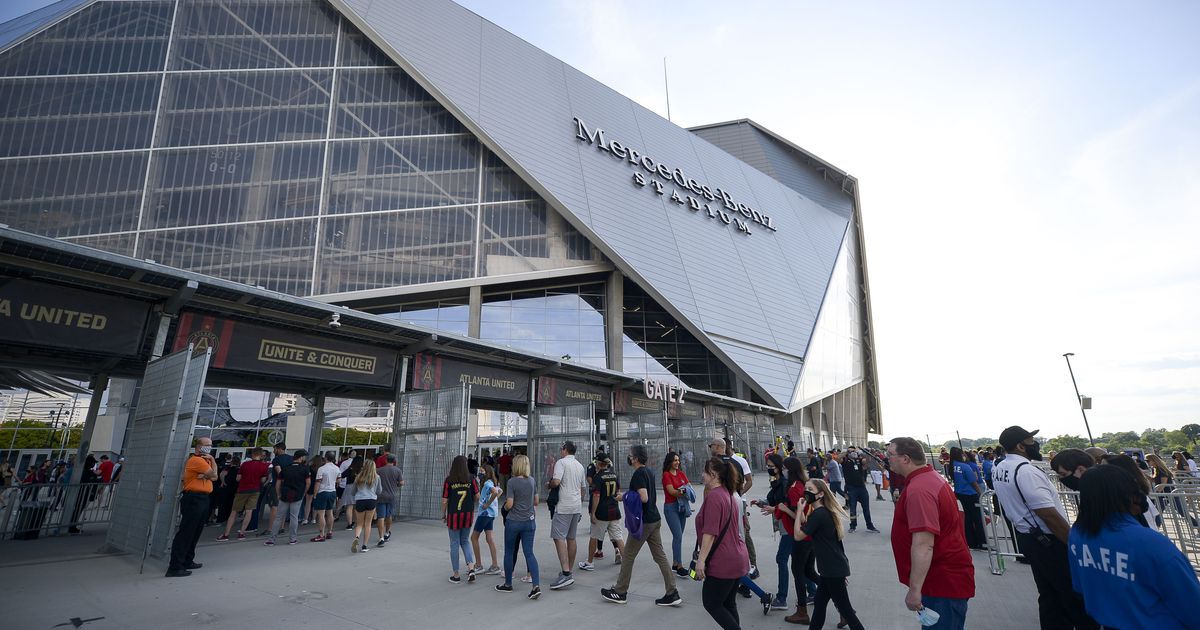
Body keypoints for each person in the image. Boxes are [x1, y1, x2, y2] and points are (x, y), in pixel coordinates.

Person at [1069, 464, 1200, 629]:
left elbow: (1080, 587)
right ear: (1129, 495)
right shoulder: (1150, 543)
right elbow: (1192, 606)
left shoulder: (1078, 533)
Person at [992, 426, 1098, 629]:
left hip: (1030, 537)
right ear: (1020, 446)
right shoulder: (1027, 472)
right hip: (1049, 541)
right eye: (1031, 440)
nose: (1035, 444)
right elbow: (1047, 513)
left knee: (1050, 596)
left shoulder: (1000, 468)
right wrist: (1072, 543)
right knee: (1072, 596)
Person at [887, 437, 975, 629]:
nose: (888, 459)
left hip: (941, 583)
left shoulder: (920, 489)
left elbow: (924, 543)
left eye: (890, 454)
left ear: (905, 459)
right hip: (941, 580)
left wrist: (915, 589)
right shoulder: (928, 479)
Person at [601, 444, 682, 607]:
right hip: (654, 519)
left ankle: (620, 591)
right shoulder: (649, 471)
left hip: (644, 522)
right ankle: (672, 592)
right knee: (660, 556)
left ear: (636, 458)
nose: (629, 458)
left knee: (628, 555)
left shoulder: (639, 474)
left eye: (630, 455)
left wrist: (625, 496)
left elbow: (643, 497)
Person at [798, 478, 865, 630]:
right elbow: (838, 544)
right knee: (820, 606)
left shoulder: (819, 515)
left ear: (821, 494)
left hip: (832, 571)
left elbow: (798, 535)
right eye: (806, 488)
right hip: (830, 570)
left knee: (846, 611)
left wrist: (798, 512)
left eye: (810, 489)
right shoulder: (822, 513)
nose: (806, 491)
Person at [694, 457, 751, 630]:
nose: (703, 476)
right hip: (737, 556)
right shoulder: (729, 494)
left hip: (723, 560)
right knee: (728, 603)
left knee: (711, 603)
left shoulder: (714, 497)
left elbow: (710, 533)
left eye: (705, 472)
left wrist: (701, 560)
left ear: (713, 474)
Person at [763, 455, 812, 623]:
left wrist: (782, 508)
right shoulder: (792, 485)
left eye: (781, 467)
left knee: (791, 566)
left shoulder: (792, 487)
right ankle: (818, 596)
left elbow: (801, 515)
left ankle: (788, 601)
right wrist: (777, 508)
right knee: (806, 571)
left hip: (795, 532)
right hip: (796, 532)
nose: (780, 470)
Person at [165, 437, 217, 577]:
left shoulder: (205, 461)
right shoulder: (197, 460)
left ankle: (187, 559)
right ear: (199, 447)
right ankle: (175, 566)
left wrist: (211, 462)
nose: (210, 447)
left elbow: (214, 477)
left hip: (203, 497)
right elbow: (212, 474)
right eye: (207, 445)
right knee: (187, 531)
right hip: (194, 497)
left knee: (195, 531)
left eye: (211, 445)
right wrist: (212, 463)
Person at [495, 454, 541, 599]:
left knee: (509, 552)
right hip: (529, 521)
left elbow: (509, 504)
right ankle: (536, 586)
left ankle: (508, 584)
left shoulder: (512, 482)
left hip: (514, 521)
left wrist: (505, 509)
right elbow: (536, 501)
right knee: (529, 553)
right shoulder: (532, 481)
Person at [549, 440, 587, 589]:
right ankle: (569, 570)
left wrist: (549, 483)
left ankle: (565, 573)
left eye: (561, 449)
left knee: (558, 537)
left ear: (565, 450)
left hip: (563, 506)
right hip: (576, 506)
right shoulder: (579, 466)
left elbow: (556, 482)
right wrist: (579, 501)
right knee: (571, 538)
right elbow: (583, 488)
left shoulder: (561, 463)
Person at [580, 451, 625, 571]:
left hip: (602, 512)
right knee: (618, 537)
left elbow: (596, 496)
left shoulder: (598, 477)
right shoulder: (614, 475)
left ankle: (589, 562)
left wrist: (593, 513)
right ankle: (627, 564)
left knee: (594, 536)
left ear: (599, 464)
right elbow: (618, 490)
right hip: (614, 511)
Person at [217, 447, 269, 541]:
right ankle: (242, 533)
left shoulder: (245, 464)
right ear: (261, 455)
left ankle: (226, 534)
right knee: (249, 512)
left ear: (252, 454)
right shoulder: (264, 466)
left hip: (242, 490)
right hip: (255, 491)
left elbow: (238, 478)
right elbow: (263, 480)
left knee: (234, 512)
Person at [442, 455, 479, 583]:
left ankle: (456, 574)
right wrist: (471, 500)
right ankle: (471, 567)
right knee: (465, 541)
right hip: (468, 514)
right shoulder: (471, 478)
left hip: (453, 515)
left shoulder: (449, 480)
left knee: (454, 543)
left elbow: (445, 500)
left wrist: (443, 514)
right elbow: (477, 496)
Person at [265, 449, 309, 546]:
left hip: (285, 495)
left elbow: (278, 483)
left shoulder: (285, 468)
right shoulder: (304, 469)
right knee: (294, 517)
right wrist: (303, 493)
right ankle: (292, 539)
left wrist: (278, 493)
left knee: (278, 517)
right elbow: (308, 483)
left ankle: (271, 539)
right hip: (297, 495)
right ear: (301, 457)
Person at [661, 450, 691, 578]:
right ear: (670, 462)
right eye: (675, 460)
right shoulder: (666, 475)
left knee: (679, 537)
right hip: (671, 508)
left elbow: (689, 486)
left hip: (682, 507)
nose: (677, 462)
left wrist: (685, 491)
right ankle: (679, 566)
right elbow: (671, 491)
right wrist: (684, 492)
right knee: (678, 535)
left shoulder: (681, 474)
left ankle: (675, 563)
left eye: (678, 460)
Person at [949, 447, 986, 550]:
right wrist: (980, 494)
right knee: (978, 519)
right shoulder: (965, 467)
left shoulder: (952, 466)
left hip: (960, 493)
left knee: (968, 519)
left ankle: (971, 541)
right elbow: (974, 482)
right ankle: (982, 542)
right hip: (970, 494)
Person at [471, 463, 503, 574]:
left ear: (487, 472)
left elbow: (495, 492)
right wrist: (493, 501)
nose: (480, 472)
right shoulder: (492, 482)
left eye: (482, 470)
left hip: (484, 514)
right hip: (490, 514)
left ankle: (478, 565)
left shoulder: (487, 483)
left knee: (474, 537)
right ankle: (495, 565)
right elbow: (500, 491)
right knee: (489, 538)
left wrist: (487, 504)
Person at [257, 442, 292, 536]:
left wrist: (282, 480)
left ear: (279, 449)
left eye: (275, 449)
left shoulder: (276, 460)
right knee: (284, 506)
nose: (273, 451)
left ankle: (270, 529)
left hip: (277, 485)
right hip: (288, 486)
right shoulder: (291, 458)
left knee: (274, 506)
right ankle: (282, 527)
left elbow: (279, 472)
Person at [842, 447, 879, 533]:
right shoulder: (845, 461)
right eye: (851, 451)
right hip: (851, 488)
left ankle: (870, 526)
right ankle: (853, 526)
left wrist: (868, 453)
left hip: (862, 488)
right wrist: (847, 452)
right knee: (853, 509)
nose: (853, 453)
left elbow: (867, 462)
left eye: (854, 451)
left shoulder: (859, 460)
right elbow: (838, 458)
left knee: (866, 508)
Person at [374, 453, 405, 547]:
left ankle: (381, 538)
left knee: (381, 517)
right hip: (391, 496)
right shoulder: (398, 470)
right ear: (394, 461)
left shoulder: (379, 470)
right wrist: (397, 484)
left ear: (386, 460)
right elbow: (401, 483)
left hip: (380, 496)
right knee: (389, 515)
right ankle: (387, 533)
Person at [350, 459, 380, 554]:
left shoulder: (358, 477)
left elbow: (353, 492)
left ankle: (357, 537)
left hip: (360, 500)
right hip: (371, 500)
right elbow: (379, 491)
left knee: (359, 524)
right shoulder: (377, 477)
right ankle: (364, 546)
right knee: (368, 524)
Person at [311, 452, 340, 542]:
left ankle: (321, 534)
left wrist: (315, 494)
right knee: (330, 512)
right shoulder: (337, 468)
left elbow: (318, 482)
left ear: (325, 458)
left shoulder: (321, 469)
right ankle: (330, 532)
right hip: (332, 491)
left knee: (321, 514)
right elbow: (339, 480)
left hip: (322, 492)